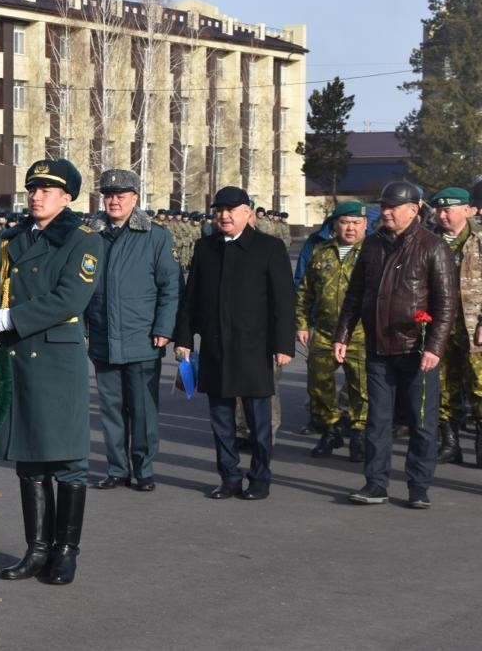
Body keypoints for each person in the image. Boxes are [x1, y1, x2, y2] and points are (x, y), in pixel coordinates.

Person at [0, 158, 101, 587]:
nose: (36, 196)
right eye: (33, 189)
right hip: (17, 356)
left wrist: (8, 319)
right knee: (30, 459)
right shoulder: (10, 239)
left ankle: (65, 551)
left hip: (55, 357)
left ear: (67, 197)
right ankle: (36, 549)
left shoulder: (82, 242)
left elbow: (69, 299)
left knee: (69, 459)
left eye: (47, 190)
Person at [335, 181, 456, 508]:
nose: (385, 212)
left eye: (392, 207)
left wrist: (434, 347)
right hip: (378, 347)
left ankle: (419, 486)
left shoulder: (433, 247)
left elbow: (446, 304)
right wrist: (342, 334)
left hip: (417, 351)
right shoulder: (372, 245)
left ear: (413, 210)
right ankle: (375, 484)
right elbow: (354, 295)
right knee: (378, 419)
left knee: (421, 421)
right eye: (383, 206)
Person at [174, 186, 294, 501]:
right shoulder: (205, 248)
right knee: (221, 419)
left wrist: (284, 345)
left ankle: (260, 477)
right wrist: (185, 339)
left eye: (232, 210)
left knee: (258, 421)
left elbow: (283, 301)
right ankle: (228, 477)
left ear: (247, 213)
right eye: (220, 210)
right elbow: (191, 298)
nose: (224, 216)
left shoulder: (269, 247)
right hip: (215, 347)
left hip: (254, 347)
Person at [84, 169, 180, 492]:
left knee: (142, 409)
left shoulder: (156, 237)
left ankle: (144, 467)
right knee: (111, 409)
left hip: (142, 337)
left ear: (135, 199)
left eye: (120, 195)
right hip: (102, 335)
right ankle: (116, 468)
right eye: (108, 195)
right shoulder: (91, 237)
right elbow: (81, 288)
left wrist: (164, 327)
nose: (113, 200)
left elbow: (170, 288)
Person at [295, 201, 369, 461]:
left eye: (356, 223)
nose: (350, 228)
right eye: (345, 222)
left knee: (361, 387)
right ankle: (330, 430)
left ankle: (358, 436)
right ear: (335, 225)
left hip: (360, 333)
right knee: (318, 385)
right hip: (325, 331)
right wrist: (302, 323)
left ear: (365, 225)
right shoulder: (321, 252)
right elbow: (305, 291)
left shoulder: (373, 252)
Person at [426, 187, 482, 466]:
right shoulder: (428, 241)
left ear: (466, 209)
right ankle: (450, 443)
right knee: (444, 387)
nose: (443, 215)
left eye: (448, 209)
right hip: (441, 328)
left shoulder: (479, 238)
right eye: (439, 210)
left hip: (476, 329)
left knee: (480, 386)